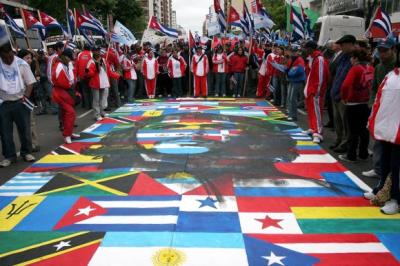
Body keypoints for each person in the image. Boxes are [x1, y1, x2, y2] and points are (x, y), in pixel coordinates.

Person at [364, 45, 400, 215]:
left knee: (396, 166)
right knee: (384, 163)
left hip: (397, 132)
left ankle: (395, 199)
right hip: (386, 129)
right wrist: (373, 121)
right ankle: (381, 189)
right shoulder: (390, 76)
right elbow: (379, 99)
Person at [362, 37, 397, 179]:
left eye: (385, 51)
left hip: (395, 111)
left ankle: (391, 173)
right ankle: (377, 169)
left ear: (393, 50)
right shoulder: (379, 67)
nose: (382, 54)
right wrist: (372, 104)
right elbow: (374, 89)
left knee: (393, 144)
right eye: (380, 51)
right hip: (381, 110)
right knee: (379, 140)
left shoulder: (396, 67)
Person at [0, 43, 36, 167]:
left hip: (20, 101)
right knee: (5, 132)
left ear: (13, 53)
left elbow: (30, 83)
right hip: (3, 103)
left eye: (10, 57)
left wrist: (25, 97)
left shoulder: (22, 64)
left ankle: (26, 152)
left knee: (25, 129)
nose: (8, 60)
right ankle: (9, 156)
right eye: (5, 58)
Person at [339, 50, 373, 162]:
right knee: (364, 130)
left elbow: (345, 85)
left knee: (352, 131)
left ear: (356, 58)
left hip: (353, 103)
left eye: (352, 57)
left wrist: (344, 97)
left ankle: (351, 155)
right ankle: (363, 154)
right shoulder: (370, 67)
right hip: (366, 103)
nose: (350, 60)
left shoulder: (355, 69)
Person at [330, 35, 356, 152]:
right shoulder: (342, 56)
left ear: (350, 44)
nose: (340, 46)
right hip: (335, 92)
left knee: (346, 123)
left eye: (343, 44)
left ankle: (346, 144)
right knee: (337, 121)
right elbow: (332, 68)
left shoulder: (355, 57)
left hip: (344, 96)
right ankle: (338, 140)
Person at [303, 40, 330, 144]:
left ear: (310, 49)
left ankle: (318, 132)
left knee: (317, 112)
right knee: (311, 111)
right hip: (310, 90)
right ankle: (313, 128)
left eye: (306, 48)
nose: (304, 50)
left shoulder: (319, 59)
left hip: (315, 92)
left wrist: (317, 92)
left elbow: (320, 77)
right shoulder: (313, 58)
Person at [51, 49, 80, 144]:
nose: (70, 60)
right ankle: (67, 134)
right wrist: (70, 84)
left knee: (66, 113)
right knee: (70, 112)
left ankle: (69, 133)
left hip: (66, 91)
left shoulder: (65, 64)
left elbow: (71, 77)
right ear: (65, 56)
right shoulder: (59, 65)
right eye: (69, 58)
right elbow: (58, 80)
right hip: (61, 92)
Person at [86, 47, 119, 121]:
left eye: (98, 51)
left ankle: (102, 112)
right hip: (95, 84)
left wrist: (117, 76)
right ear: (93, 52)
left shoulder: (104, 60)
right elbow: (88, 74)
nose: (97, 52)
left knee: (103, 99)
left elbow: (109, 71)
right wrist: (96, 69)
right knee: (96, 100)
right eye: (95, 51)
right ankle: (96, 115)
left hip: (104, 82)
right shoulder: (90, 62)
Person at [286, 46, 306, 122]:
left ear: (297, 52)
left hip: (296, 81)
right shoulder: (292, 59)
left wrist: (290, 72)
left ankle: (293, 116)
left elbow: (300, 70)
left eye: (294, 51)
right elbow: (289, 68)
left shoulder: (299, 59)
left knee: (292, 98)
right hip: (292, 80)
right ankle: (291, 114)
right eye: (292, 51)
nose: (293, 53)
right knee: (290, 98)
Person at [76, 44, 93, 109]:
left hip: (81, 76)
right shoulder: (91, 54)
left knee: (85, 91)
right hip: (89, 75)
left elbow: (77, 65)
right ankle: (91, 105)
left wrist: (77, 75)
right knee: (91, 91)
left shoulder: (80, 54)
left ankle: (87, 105)